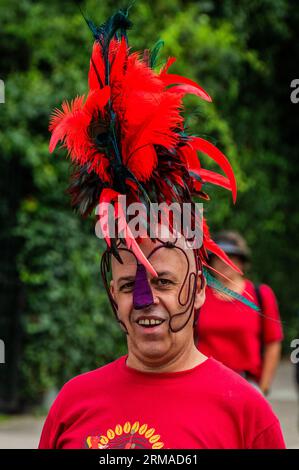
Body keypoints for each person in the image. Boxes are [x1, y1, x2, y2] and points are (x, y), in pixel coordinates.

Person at [38, 8, 285, 449]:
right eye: (128, 283)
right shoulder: (71, 405)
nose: (145, 299)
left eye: (163, 281)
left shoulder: (248, 414)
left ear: (201, 287)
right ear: (112, 293)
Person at [197, 231, 283, 395]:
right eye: (219, 257)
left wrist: (263, 388)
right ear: (211, 262)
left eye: (232, 256)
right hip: (205, 383)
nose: (225, 262)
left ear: (242, 262)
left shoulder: (260, 294)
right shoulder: (199, 295)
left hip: (246, 384)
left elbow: (273, 343)